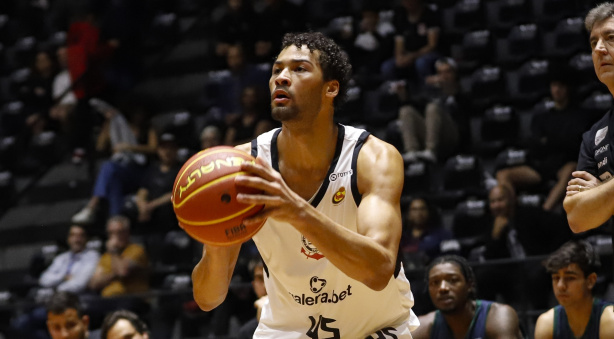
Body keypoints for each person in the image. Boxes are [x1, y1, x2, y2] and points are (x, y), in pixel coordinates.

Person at [191, 32, 419, 337]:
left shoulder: (372, 158)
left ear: (331, 88)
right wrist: (216, 239)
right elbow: (208, 298)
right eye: (276, 70)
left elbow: (378, 271)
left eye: (299, 69)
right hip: (290, 331)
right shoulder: (239, 166)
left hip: (375, 329)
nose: (282, 78)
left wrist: (297, 211)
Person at [496, 74, 591, 212]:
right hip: (541, 164)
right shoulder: (542, 116)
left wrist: (549, 141)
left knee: (571, 170)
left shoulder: (579, 116)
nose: (557, 90)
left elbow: (575, 144)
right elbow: (535, 145)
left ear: (568, 89)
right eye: (554, 86)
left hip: (564, 164)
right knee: (503, 174)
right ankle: (512, 213)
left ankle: (545, 212)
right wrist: (556, 141)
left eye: (561, 86)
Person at [564, 3, 614, 236]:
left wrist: (602, 192)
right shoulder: (595, 135)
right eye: (593, 42)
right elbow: (577, 218)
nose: (599, 49)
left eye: (610, 37)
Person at [410, 255, 523, 339]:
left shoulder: (498, 316)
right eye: (435, 283)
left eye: (453, 280)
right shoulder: (423, 327)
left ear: (470, 285)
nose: (443, 288)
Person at [392, 57, 470, 163]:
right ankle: (411, 150)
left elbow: (463, 115)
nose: (444, 76)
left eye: (448, 72)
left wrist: (448, 88)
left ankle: (430, 150)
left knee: (433, 107)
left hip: (452, 137)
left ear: (455, 74)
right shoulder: (432, 93)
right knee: (406, 110)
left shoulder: (461, 92)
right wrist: (404, 97)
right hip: (433, 134)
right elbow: (416, 105)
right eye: (440, 73)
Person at [534, 240, 614, 338]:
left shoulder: (610, 320)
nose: (560, 286)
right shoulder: (547, 323)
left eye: (570, 278)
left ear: (590, 281)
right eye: (556, 278)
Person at [88, 216, 149, 297]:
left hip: (131, 299)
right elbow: (94, 284)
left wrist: (113, 252)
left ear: (127, 232)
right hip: (109, 300)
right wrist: (113, 275)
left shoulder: (137, 250)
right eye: (111, 233)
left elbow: (122, 272)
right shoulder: (106, 256)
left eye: (119, 232)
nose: (115, 236)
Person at [39, 225, 100, 293]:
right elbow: (44, 279)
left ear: (86, 239)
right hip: (55, 295)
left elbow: (80, 284)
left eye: (81, 236)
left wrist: (56, 290)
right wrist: (63, 277)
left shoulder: (92, 257)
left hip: (76, 296)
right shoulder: (61, 258)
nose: (77, 240)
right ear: (68, 239)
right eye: (73, 235)